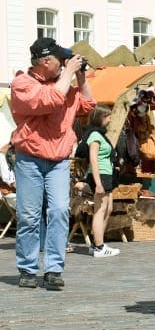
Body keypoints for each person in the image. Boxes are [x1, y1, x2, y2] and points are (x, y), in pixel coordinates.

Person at [11, 37, 96, 290]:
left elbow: (88, 105)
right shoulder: (22, 83)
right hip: (30, 159)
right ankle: (27, 268)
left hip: (58, 160)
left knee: (59, 212)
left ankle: (53, 270)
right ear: (46, 61)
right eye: (60, 60)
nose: (63, 64)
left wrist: (80, 77)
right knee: (29, 216)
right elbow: (49, 100)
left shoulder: (65, 84)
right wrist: (68, 73)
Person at [83, 105, 120, 258]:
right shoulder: (95, 136)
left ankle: (97, 242)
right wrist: (98, 183)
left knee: (108, 208)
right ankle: (99, 247)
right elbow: (93, 159)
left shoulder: (101, 135)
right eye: (108, 116)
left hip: (107, 174)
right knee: (100, 209)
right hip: (100, 175)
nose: (110, 119)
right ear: (100, 118)